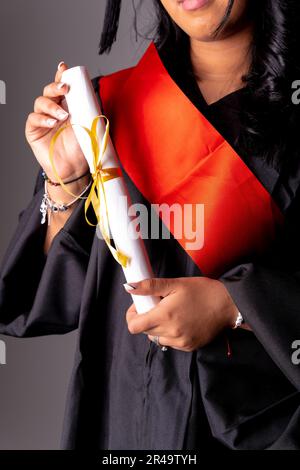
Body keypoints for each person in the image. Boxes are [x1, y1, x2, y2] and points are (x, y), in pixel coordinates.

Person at [0, 0, 300, 450]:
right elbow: (39, 304)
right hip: (120, 420)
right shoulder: (107, 109)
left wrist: (234, 305)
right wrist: (65, 182)